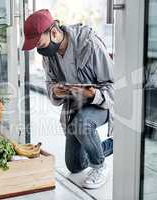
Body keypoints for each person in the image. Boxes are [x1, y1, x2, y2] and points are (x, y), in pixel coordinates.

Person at [22, 9, 114, 189]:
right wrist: (56, 91)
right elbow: (50, 85)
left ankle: (100, 166)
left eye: (40, 43)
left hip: (102, 103)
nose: (39, 50)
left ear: (54, 32)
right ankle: (110, 146)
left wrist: (91, 94)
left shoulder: (90, 44)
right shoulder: (49, 55)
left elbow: (114, 86)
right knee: (75, 165)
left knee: (81, 124)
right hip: (76, 106)